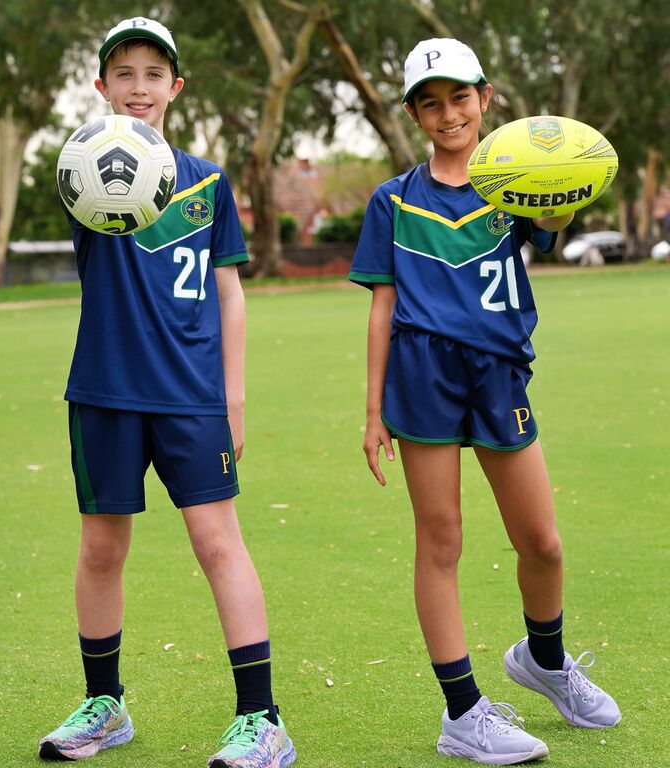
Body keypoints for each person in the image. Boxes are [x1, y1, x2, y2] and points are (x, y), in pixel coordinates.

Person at [350, 38, 620, 764]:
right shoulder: (395, 199)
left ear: (486, 98)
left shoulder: (514, 181)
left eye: (460, 97)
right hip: (421, 375)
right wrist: (373, 411)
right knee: (441, 544)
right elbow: (382, 306)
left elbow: (553, 226)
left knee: (543, 542)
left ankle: (545, 660)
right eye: (430, 102)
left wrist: (560, 187)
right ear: (413, 112)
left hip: (499, 375)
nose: (448, 113)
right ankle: (463, 712)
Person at [38, 17, 295, 768]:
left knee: (219, 544)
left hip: (190, 396)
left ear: (176, 87)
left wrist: (234, 396)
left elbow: (231, 294)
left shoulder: (210, 182)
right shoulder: (83, 169)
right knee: (100, 547)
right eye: (124, 74)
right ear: (101, 88)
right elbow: (97, 190)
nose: (140, 86)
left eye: (154, 74)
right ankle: (104, 704)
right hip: (105, 390)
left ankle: (262, 718)